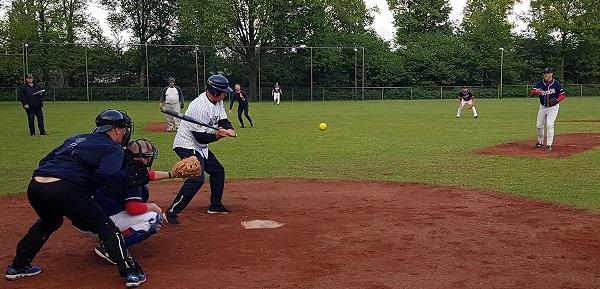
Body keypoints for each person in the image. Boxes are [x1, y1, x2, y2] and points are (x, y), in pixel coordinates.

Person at [5, 109, 147, 288]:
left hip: (36, 186)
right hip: (66, 188)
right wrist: (85, 191)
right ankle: (131, 272)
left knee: (49, 222)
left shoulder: (76, 139)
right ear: (116, 130)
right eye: (124, 129)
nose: (125, 133)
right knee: (106, 227)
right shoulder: (114, 148)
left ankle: (18, 266)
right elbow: (105, 173)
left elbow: (45, 161)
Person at [79, 139, 186, 264]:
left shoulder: (118, 162)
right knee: (154, 218)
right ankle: (110, 248)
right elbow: (133, 208)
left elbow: (148, 175)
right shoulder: (132, 175)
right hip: (98, 225)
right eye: (149, 156)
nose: (151, 159)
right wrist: (152, 206)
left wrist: (171, 174)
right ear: (142, 158)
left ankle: (109, 238)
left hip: (83, 218)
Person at [164, 75, 237, 225]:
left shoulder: (218, 101)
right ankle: (171, 212)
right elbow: (199, 137)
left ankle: (215, 206)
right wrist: (218, 136)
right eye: (224, 92)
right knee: (197, 178)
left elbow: (222, 119)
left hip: (201, 145)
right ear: (216, 92)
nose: (226, 94)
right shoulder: (199, 106)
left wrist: (229, 128)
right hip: (186, 144)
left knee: (218, 171)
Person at [531, 67, 567, 152]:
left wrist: (557, 100)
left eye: (547, 73)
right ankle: (540, 143)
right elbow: (532, 91)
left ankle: (549, 145)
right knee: (539, 125)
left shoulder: (556, 84)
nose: (545, 75)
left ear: (551, 74)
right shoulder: (540, 83)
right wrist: (536, 92)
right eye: (544, 73)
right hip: (543, 107)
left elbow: (563, 95)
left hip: (553, 108)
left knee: (550, 124)